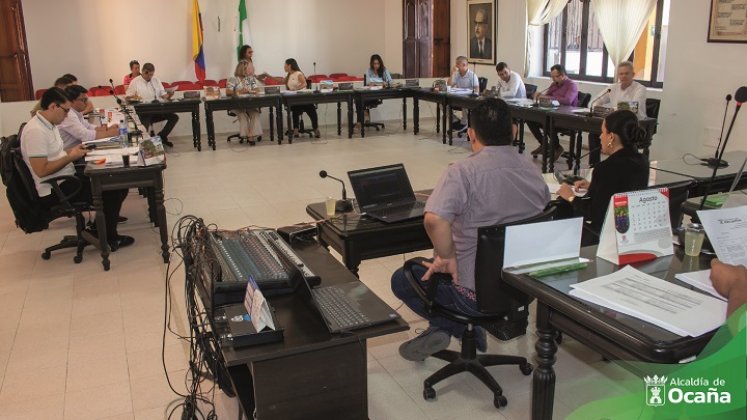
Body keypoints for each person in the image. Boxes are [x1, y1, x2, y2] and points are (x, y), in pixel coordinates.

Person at [391, 98, 550, 361]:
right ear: (513, 132)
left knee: (402, 278)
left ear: (471, 133)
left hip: (473, 296)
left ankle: (459, 325)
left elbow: (434, 219)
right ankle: (460, 327)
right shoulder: (532, 170)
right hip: (521, 289)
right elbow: (543, 209)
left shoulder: (463, 172)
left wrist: (448, 256)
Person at [20, 88, 133, 250]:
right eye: (65, 111)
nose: (67, 115)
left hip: (65, 177)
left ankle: (98, 229)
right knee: (112, 189)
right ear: (53, 107)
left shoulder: (49, 125)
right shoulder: (36, 131)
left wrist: (73, 152)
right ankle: (109, 237)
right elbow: (42, 170)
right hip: (55, 188)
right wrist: (70, 157)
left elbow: (55, 155)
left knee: (115, 179)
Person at [556, 110, 649, 246]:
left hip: (604, 236)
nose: (600, 137)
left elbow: (593, 213)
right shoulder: (642, 161)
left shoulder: (606, 168)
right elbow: (624, 186)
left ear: (611, 137)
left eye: (602, 132)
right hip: (630, 231)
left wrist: (570, 196)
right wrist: (595, 186)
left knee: (562, 205)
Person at [587, 61, 647, 166]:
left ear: (632, 74)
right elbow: (595, 101)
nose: (623, 76)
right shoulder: (613, 88)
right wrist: (597, 107)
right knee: (594, 132)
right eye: (621, 74)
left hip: (633, 123)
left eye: (626, 73)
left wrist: (613, 109)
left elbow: (634, 106)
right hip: (616, 123)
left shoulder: (640, 88)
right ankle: (594, 165)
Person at [526, 64, 578, 162]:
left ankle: (557, 147)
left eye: (555, 77)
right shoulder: (554, 85)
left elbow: (568, 101)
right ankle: (544, 144)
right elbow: (546, 97)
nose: (553, 79)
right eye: (552, 77)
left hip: (566, 117)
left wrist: (549, 98)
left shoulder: (572, 85)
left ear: (562, 75)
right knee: (530, 118)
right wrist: (540, 95)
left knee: (547, 121)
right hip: (552, 112)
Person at [125, 62, 179, 147]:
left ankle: (161, 136)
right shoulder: (135, 82)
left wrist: (170, 94)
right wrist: (135, 97)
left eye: (151, 75)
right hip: (144, 112)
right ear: (143, 72)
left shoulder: (156, 80)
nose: (150, 77)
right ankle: (145, 145)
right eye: (148, 75)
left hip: (158, 110)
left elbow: (164, 95)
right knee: (144, 124)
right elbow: (128, 97)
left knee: (174, 117)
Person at [58, 85, 119, 151]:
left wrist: (107, 129)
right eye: (83, 100)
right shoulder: (68, 115)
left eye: (86, 99)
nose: (86, 103)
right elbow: (85, 136)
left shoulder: (76, 112)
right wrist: (109, 133)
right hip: (69, 156)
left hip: (77, 150)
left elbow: (88, 126)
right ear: (71, 101)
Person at [226, 60, 263, 145]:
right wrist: (239, 91)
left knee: (255, 113)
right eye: (247, 68)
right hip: (237, 105)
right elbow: (228, 92)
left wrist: (249, 90)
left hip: (249, 104)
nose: (250, 70)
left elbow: (257, 90)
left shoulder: (250, 79)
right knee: (243, 115)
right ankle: (248, 136)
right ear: (242, 69)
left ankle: (251, 135)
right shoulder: (233, 79)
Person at [284, 58, 320, 138]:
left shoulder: (298, 73)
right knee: (295, 109)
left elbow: (304, 84)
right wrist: (269, 76)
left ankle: (315, 128)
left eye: (285, 65)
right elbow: (283, 81)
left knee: (311, 110)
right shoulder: (289, 75)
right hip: (294, 99)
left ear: (290, 65)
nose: (284, 67)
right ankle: (296, 129)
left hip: (303, 97)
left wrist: (296, 89)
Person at [447, 56, 480, 128]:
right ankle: (455, 120)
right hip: (458, 98)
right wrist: (452, 74)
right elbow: (449, 86)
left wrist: (471, 95)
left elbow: (477, 90)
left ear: (464, 65)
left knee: (465, 104)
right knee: (443, 103)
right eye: (456, 64)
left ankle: (464, 123)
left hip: (468, 100)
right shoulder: (456, 74)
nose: (456, 66)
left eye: (458, 64)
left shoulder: (472, 75)